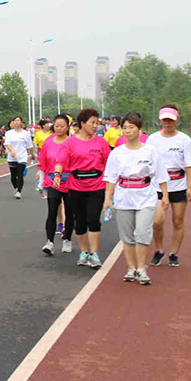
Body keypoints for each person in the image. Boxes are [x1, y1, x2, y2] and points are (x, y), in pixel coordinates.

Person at [103, 112, 169, 285]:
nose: (127, 131)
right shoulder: (117, 153)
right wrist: (107, 199)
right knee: (127, 236)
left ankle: (142, 269)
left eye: (131, 127)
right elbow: (111, 178)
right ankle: (131, 268)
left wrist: (165, 195)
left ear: (140, 129)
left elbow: (161, 174)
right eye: (124, 128)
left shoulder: (151, 151)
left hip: (146, 196)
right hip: (124, 197)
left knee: (142, 233)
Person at [53, 108, 112, 269]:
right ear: (83, 123)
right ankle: (84, 252)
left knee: (93, 219)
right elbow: (61, 160)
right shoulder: (70, 142)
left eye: (97, 123)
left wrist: (111, 184)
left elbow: (110, 163)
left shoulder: (101, 142)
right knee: (79, 221)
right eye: (92, 122)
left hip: (96, 186)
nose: (95, 126)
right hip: (76, 186)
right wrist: (57, 175)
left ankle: (94, 253)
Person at [147, 104, 191, 267]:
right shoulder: (152, 139)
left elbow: (190, 164)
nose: (168, 123)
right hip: (158, 186)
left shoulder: (184, 140)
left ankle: (174, 253)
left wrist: (190, 186)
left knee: (178, 221)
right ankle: (159, 249)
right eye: (165, 120)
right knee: (157, 221)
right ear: (160, 121)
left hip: (178, 184)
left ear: (176, 120)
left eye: (170, 120)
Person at [38, 114, 75, 255]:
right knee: (52, 211)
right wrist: (41, 183)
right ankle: (50, 242)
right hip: (52, 181)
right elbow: (43, 163)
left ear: (67, 127)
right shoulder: (48, 142)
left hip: (69, 181)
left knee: (69, 212)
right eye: (57, 126)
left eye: (62, 126)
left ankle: (67, 239)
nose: (59, 128)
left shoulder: (72, 142)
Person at [4, 116, 34, 199]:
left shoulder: (25, 133)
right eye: (15, 120)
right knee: (13, 176)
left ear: (21, 122)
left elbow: (29, 146)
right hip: (12, 157)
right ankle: (16, 187)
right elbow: (8, 143)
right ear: (13, 122)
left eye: (18, 120)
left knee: (20, 174)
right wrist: (12, 151)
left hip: (22, 156)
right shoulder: (9, 133)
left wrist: (32, 154)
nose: (17, 122)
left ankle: (19, 191)